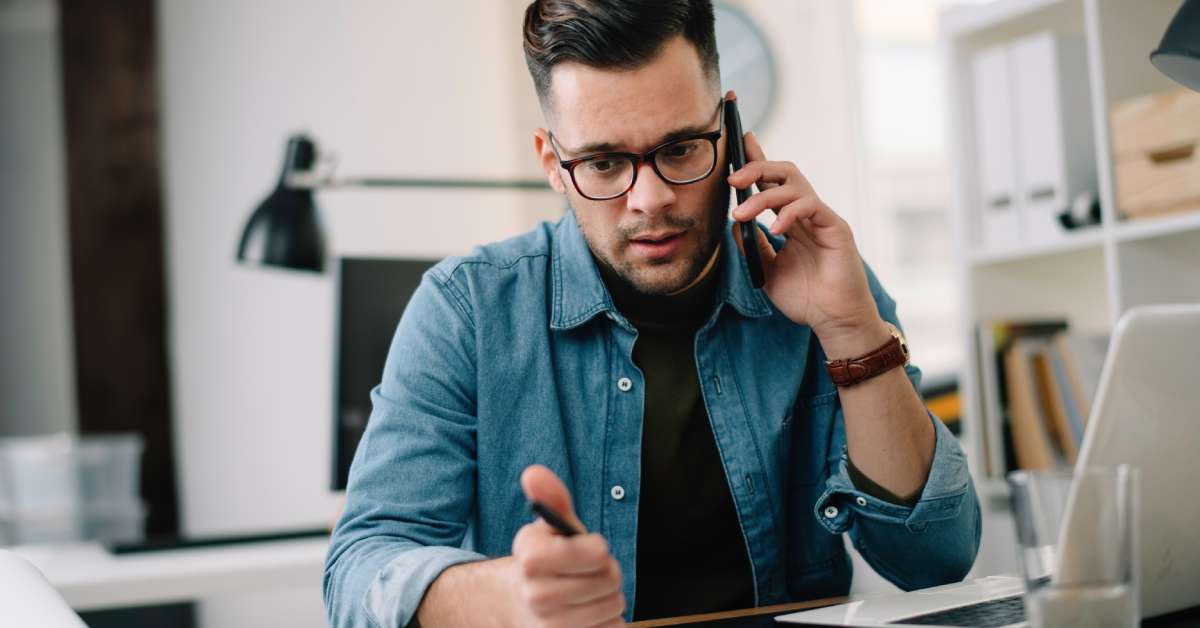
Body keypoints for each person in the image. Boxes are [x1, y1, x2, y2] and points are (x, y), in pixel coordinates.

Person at [323, 1, 980, 626]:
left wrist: (852, 334)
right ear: (553, 162)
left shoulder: (826, 284)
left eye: (680, 148)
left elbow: (936, 561)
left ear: (727, 130)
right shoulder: (466, 312)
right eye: (605, 162)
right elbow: (358, 570)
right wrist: (497, 600)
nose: (650, 198)